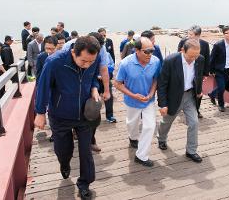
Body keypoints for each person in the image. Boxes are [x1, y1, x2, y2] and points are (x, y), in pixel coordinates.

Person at [34, 36, 101, 200]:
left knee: (86, 151)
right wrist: (40, 113)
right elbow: (43, 87)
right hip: (60, 115)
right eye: (84, 61)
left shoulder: (93, 58)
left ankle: (84, 184)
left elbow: (93, 77)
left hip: (84, 114)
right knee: (63, 150)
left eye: (90, 62)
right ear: (73, 52)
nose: (87, 65)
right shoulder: (54, 62)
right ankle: (64, 163)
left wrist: (94, 88)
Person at [114, 37, 160, 167]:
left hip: (149, 101)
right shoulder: (125, 64)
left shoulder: (156, 62)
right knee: (131, 123)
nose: (150, 54)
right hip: (132, 101)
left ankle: (141, 156)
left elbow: (155, 80)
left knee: (150, 126)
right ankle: (132, 138)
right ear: (137, 50)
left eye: (152, 50)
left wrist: (151, 94)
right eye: (146, 51)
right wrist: (133, 95)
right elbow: (117, 84)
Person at [157, 39, 204, 163]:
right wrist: (162, 104)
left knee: (194, 123)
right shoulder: (170, 61)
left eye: (196, 56)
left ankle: (191, 151)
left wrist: (199, 90)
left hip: (190, 96)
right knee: (166, 121)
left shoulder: (200, 59)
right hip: (173, 96)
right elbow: (162, 84)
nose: (194, 59)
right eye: (191, 56)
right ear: (182, 50)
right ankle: (161, 138)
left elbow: (198, 76)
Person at [177, 25, 210, 118]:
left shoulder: (205, 44)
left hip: (198, 73)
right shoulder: (183, 42)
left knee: (198, 92)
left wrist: (206, 74)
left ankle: (196, 110)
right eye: (188, 34)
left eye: (191, 34)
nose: (189, 36)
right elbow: (178, 56)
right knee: (183, 89)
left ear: (198, 35)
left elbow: (207, 59)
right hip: (184, 71)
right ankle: (180, 107)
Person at [208, 26, 229, 112]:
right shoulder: (218, 45)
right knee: (221, 88)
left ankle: (212, 94)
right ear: (224, 34)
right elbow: (212, 58)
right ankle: (221, 105)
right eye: (228, 33)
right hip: (219, 70)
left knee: (223, 86)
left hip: (228, 70)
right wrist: (211, 70)